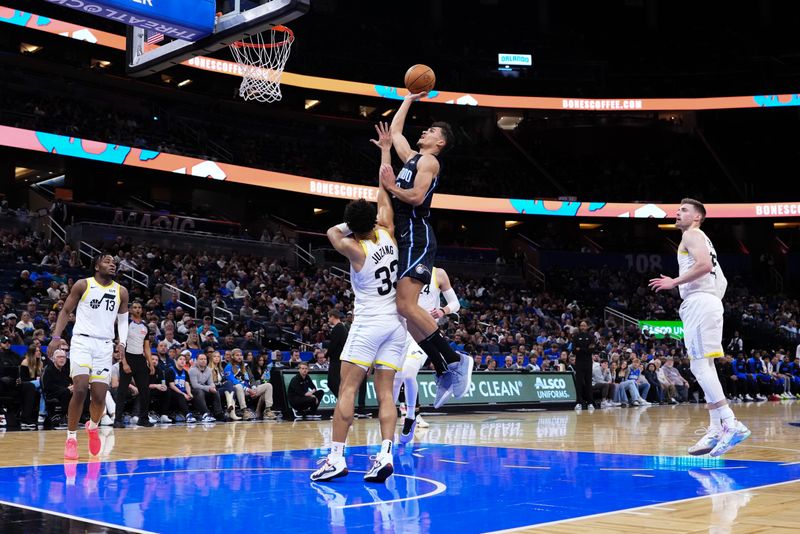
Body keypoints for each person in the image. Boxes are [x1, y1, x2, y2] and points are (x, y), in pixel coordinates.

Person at [310, 158, 405, 484]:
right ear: (374, 220)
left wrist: (354, 222)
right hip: (396, 325)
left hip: (369, 322)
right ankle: (385, 455)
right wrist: (384, 155)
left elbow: (332, 231)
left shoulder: (355, 248)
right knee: (387, 395)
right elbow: (383, 200)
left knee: (347, 388)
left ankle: (336, 457)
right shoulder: (389, 234)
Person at [377, 111, 471, 407]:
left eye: (431, 130)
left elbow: (417, 197)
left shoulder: (430, 161)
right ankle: (444, 367)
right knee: (404, 309)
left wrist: (392, 188)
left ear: (440, 142)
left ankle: (456, 360)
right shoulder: (413, 159)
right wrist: (409, 97)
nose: (425, 132)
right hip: (406, 235)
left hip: (417, 232)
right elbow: (396, 133)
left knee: (405, 305)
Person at [650, 198, 750, 456]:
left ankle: (730, 422)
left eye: (683, 210)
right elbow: (722, 280)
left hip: (700, 303)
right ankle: (716, 427)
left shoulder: (692, 234)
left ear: (697, 217)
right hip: (710, 302)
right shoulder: (703, 238)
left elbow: (704, 266)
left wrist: (675, 282)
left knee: (697, 364)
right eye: (678, 209)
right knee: (705, 365)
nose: (677, 212)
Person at [47, 254, 129, 460]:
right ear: (96, 265)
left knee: (100, 397)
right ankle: (71, 438)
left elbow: (123, 321)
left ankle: (92, 426)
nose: (112, 264)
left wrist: (122, 344)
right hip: (82, 342)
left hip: (104, 345)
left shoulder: (121, 291)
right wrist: (56, 336)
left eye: (114, 263)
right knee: (81, 388)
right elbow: (66, 310)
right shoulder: (83, 285)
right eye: (107, 261)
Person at [393, 265, 460, 441]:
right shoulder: (404, 271)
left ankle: (411, 416)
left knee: (408, 374)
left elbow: (456, 303)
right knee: (396, 379)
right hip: (402, 330)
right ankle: (395, 420)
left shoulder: (438, 273)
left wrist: (443, 310)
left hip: (424, 331)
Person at [114, 301, 154, 428]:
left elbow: (146, 348)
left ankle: (143, 418)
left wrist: (151, 363)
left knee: (145, 391)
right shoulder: (125, 324)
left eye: (139, 307)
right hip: (127, 358)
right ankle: (118, 419)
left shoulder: (145, 326)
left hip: (140, 360)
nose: (137, 309)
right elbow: (121, 344)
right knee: (122, 390)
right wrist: (124, 362)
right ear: (130, 310)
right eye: (135, 307)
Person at [188, 352, 224, 422]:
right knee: (199, 391)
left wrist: (212, 387)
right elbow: (194, 385)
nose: (203, 360)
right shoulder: (192, 370)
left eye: (205, 359)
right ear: (197, 360)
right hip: (193, 390)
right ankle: (206, 413)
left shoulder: (209, 370)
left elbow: (211, 382)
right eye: (201, 359)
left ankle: (218, 413)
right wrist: (208, 388)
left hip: (204, 388)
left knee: (215, 392)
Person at [166, 352, 196, 423]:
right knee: (181, 396)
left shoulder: (185, 372)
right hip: (173, 392)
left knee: (196, 393)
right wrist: (184, 394)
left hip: (183, 391)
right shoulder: (170, 370)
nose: (183, 361)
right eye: (180, 359)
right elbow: (171, 385)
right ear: (176, 361)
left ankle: (203, 413)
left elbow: (187, 384)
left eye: (184, 359)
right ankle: (187, 415)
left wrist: (189, 393)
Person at [571, 321, 595, 410]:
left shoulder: (591, 337)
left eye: (584, 325)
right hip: (579, 362)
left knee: (589, 383)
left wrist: (580, 349)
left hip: (588, 362)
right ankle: (579, 403)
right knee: (579, 383)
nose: (583, 327)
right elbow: (574, 350)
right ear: (579, 327)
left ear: (587, 326)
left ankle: (590, 403)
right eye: (581, 325)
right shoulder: (576, 337)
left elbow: (592, 350)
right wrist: (585, 349)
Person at [325, 311, 347, 398]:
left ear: (332, 316)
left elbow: (333, 344)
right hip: (340, 360)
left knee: (332, 383)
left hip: (337, 360)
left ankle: (343, 402)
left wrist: (326, 355)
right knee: (337, 384)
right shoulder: (342, 327)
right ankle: (342, 403)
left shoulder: (338, 328)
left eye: (328, 317)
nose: (328, 319)